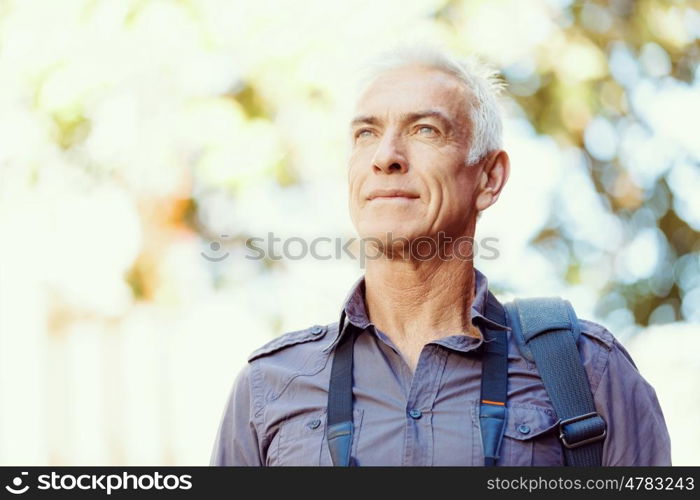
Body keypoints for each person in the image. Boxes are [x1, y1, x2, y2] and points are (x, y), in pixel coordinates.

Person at [209, 45, 672, 466]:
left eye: (425, 129)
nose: (385, 156)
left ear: (489, 178)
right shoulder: (269, 386)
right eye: (366, 133)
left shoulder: (587, 372)